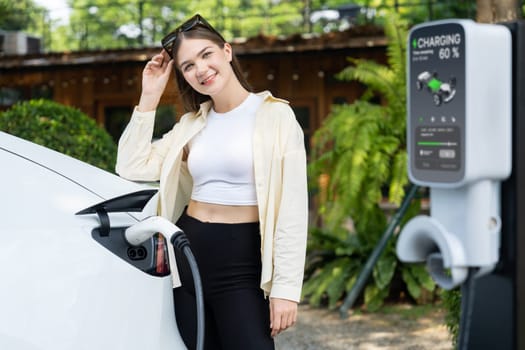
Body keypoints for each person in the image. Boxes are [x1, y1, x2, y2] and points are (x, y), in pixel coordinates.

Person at [116, 13, 308, 350]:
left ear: (227, 52)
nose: (200, 69)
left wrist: (286, 290)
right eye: (188, 66)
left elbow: (293, 208)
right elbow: (131, 165)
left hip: (242, 263)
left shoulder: (275, 116)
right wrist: (150, 95)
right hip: (187, 256)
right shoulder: (192, 125)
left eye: (206, 55)